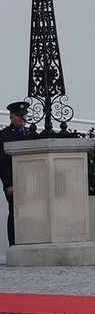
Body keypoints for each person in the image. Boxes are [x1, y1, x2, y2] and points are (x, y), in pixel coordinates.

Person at [0, 101, 31, 246]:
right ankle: (14, 244)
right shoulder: (5, 135)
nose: (22, 119)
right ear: (11, 117)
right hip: (15, 181)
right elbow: (3, 162)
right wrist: (8, 184)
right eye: (18, 116)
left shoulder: (31, 134)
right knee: (15, 214)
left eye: (24, 115)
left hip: (31, 181)